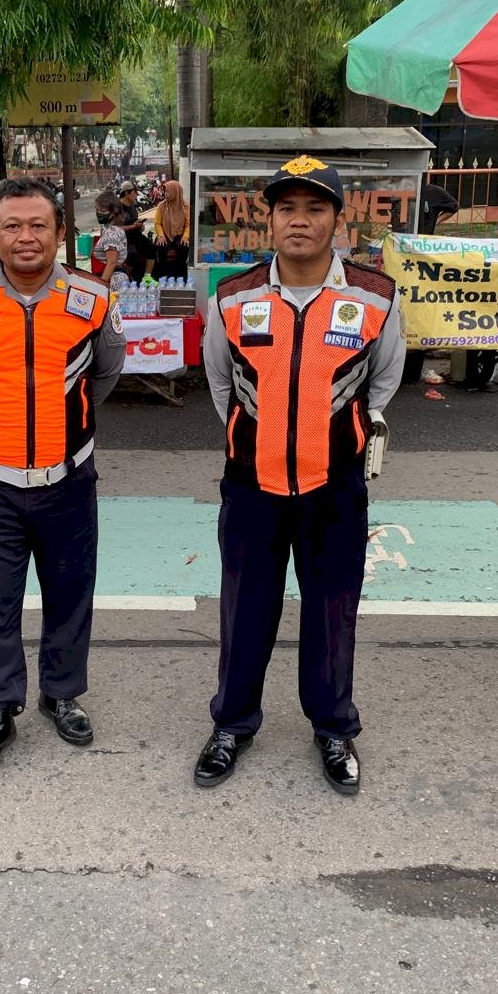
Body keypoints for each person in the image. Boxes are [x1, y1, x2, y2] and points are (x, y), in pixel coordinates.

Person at [195, 155, 405, 796]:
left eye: (316, 209)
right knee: (245, 610)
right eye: (287, 208)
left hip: (336, 488)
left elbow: (386, 380)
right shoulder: (233, 298)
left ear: (339, 220)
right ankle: (232, 723)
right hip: (252, 485)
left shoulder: (374, 296)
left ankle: (334, 730)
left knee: (334, 611)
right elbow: (219, 383)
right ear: (270, 219)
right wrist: (257, 437)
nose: (300, 221)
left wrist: (341, 432)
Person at [0, 176, 127, 785]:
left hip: (69, 480)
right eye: (12, 226)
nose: (26, 237)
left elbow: (106, 376)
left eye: (39, 224)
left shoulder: (94, 299)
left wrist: (64, 429)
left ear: (61, 232)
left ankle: (61, 695)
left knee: (70, 596)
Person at [90, 191, 131, 287]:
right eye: (97, 209)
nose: (98, 213)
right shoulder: (110, 228)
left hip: (112, 281)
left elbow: (111, 263)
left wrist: (100, 285)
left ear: (113, 213)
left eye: (102, 211)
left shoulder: (112, 233)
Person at [153, 178, 190, 279]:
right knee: (161, 247)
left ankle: (181, 277)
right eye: (165, 191)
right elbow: (157, 223)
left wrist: (186, 237)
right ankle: (162, 277)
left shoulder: (186, 207)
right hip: (165, 235)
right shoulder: (161, 206)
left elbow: (188, 225)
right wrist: (161, 236)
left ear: (175, 192)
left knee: (183, 247)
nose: (165, 194)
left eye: (168, 192)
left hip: (180, 235)